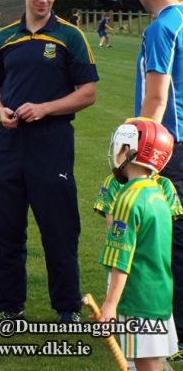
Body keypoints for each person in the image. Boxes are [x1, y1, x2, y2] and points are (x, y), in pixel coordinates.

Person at [0, 0, 98, 326]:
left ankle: (67, 307)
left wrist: (45, 108)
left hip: (51, 143)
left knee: (59, 229)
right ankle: (9, 307)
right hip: (7, 144)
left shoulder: (70, 36)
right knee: (5, 230)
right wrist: (0, 110)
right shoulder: (5, 37)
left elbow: (88, 92)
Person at [131, 0, 183, 361]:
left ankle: (176, 332)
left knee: (170, 240)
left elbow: (156, 98)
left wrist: (137, 151)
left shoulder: (162, 27)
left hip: (170, 148)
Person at [99, 118, 177, 371]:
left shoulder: (128, 199)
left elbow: (121, 258)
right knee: (153, 362)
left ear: (130, 150)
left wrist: (110, 304)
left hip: (138, 299)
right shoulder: (159, 193)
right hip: (160, 292)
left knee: (145, 363)